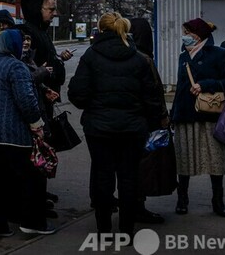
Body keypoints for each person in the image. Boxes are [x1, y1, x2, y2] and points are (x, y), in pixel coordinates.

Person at [68, 13, 165, 238]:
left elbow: (78, 95)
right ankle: (127, 230)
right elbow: (151, 98)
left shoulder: (91, 56)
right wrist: (150, 124)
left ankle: (103, 229)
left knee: (103, 177)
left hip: (99, 129)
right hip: (133, 129)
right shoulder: (139, 58)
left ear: (100, 30)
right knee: (129, 178)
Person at [0, 29, 54, 238]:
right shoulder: (17, 66)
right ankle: (33, 222)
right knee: (33, 177)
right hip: (12, 133)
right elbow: (26, 100)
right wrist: (37, 124)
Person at [170, 18, 225, 217]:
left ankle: (218, 201)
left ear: (198, 35)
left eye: (188, 32)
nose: (185, 36)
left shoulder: (220, 54)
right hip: (185, 113)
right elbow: (181, 86)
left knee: (215, 160)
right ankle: (182, 200)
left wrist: (205, 85)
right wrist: (173, 113)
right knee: (184, 159)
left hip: (210, 114)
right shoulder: (183, 55)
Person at [17, 0, 72, 204]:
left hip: (45, 101)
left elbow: (47, 63)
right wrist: (47, 72)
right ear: (36, 9)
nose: (54, 13)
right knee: (36, 149)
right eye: (50, 9)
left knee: (44, 148)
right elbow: (28, 69)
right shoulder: (27, 33)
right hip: (36, 103)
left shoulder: (42, 32)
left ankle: (40, 190)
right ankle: (32, 197)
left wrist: (58, 61)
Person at [129, 17, 169, 224]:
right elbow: (154, 92)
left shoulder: (127, 54)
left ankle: (132, 205)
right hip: (144, 121)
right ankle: (138, 207)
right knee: (143, 166)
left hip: (125, 120)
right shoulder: (143, 58)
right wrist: (162, 117)